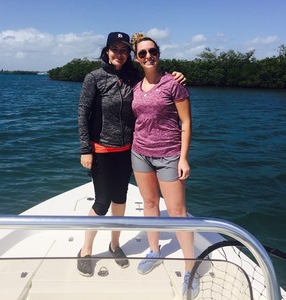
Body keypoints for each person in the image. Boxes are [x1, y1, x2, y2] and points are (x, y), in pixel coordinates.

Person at [78, 32, 186, 277]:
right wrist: (86, 148)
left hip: (128, 149)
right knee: (102, 201)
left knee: (120, 199)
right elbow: (83, 114)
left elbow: (155, 76)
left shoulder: (133, 77)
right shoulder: (94, 77)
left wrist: (175, 75)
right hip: (102, 149)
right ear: (106, 51)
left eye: (124, 49)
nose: (119, 53)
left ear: (129, 54)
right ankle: (86, 250)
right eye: (114, 49)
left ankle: (115, 245)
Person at [130, 33, 200, 299]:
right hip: (140, 153)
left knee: (177, 212)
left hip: (169, 154)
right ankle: (155, 250)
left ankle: (189, 269)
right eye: (142, 53)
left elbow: (186, 123)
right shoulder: (136, 87)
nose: (148, 56)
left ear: (158, 53)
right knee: (149, 204)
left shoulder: (173, 84)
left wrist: (183, 157)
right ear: (137, 59)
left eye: (152, 51)